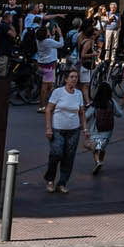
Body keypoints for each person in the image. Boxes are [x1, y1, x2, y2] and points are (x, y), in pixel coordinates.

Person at [42, 64, 88, 192]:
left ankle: (62, 183)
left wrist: (85, 129)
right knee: (56, 153)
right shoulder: (58, 92)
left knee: (69, 157)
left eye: (76, 77)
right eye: (72, 77)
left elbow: (81, 112)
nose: (74, 79)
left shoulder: (78, 94)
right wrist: (48, 128)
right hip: (58, 129)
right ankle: (50, 179)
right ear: (66, 79)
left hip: (73, 130)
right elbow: (48, 109)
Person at [36, 23, 62, 105]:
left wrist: (46, 28)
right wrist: (60, 34)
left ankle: (45, 103)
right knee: (46, 86)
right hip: (49, 65)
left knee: (48, 85)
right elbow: (61, 44)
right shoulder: (48, 41)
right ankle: (42, 105)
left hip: (42, 64)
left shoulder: (39, 41)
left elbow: (50, 41)